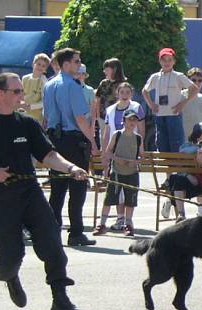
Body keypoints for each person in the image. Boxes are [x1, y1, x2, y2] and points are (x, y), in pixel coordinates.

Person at [0, 72, 88, 310]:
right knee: (10, 256)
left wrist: (71, 167)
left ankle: (60, 299)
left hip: (29, 191)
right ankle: (9, 275)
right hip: (0, 195)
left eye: (21, 91)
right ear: (1, 93)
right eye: (17, 91)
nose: (22, 95)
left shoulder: (27, 124)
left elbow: (48, 155)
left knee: (52, 243)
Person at [43, 48, 97, 246]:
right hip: (73, 139)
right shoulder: (73, 86)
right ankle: (75, 232)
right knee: (77, 187)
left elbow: (47, 116)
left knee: (57, 188)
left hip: (55, 139)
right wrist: (92, 141)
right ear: (65, 64)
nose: (78, 64)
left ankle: (52, 230)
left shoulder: (49, 85)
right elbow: (80, 118)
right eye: (76, 61)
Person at [99, 82, 145, 230]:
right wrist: (106, 156)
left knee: (129, 195)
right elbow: (106, 134)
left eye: (127, 92)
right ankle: (112, 221)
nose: (124, 94)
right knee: (113, 194)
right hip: (116, 157)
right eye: (122, 92)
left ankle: (127, 222)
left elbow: (141, 136)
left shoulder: (137, 107)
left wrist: (137, 159)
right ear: (117, 93)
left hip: (131, 160)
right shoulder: (111, 110)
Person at [94, 109, 144, 237]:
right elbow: (108, 151)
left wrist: (136, 162)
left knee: (130, 201)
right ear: (123, 121)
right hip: (116, 172)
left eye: (134, 120)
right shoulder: (117, 135)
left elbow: (141, 156)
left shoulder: (138, 138)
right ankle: (102, 224)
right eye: (129, 119)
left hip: (132, 173)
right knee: (109, 199)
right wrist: (117, 159)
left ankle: (128, 225)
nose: (132, 122)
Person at [142, 48, 198, 152]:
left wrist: (183, 103)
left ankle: (176, 168)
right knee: (161, 145)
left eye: (169, 60)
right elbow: (145, 91)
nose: (167, 62)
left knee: (176, 147)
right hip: (159, 116)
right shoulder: (155, 77)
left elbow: (194, 89)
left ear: (174, 61)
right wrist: (151, 105)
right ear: (160, 61)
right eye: (164, 60)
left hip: (174, 115)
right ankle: (164, 168)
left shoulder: (178, 76)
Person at [166, 122, 202, 222]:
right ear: (197, 135)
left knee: (175, 179)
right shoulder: (187, 145)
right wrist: (198, 148)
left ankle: (170, 200)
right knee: (177, 179)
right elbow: (182, 150)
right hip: (190, 179)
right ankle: (181, 215)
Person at [94, 58, 127, 147]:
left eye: (107, 69)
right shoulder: (103, 83)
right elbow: (98, 98)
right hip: (103, 116)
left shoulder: (123, 84)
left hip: (118, 116)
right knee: (104, 138)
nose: (104, 71)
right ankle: (104, 158)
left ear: (115, 69)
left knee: (117, 138)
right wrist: (97, 115)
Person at [21, 53, 50, 126]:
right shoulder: (25, 78)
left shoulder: (44, 81)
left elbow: (45, 102)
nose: (40, 67)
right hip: (23, 115)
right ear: (33, 64)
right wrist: (21, 104)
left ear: (45, 69)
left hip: (37, 118)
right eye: (38, 64)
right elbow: (21, 95)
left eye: (43, 66)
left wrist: (30, 106)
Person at [182, 67, 202, 140]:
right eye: (193, 80)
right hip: (184, 141)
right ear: (188, 81)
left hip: (200, 141)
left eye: (200, 80)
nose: (197, 83)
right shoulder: (180, 96)